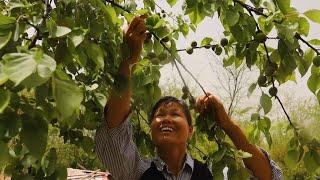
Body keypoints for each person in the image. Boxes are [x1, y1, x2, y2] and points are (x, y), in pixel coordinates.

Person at [95, 16, 283, 180]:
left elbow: (267, 177)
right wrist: (129, 61)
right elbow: (114, 130)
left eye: (175, 114)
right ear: (151, 129)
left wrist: (226, 124)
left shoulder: (212, 174)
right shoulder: (137, 173)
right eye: (159, 115)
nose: (166, 118)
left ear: (191, 130)